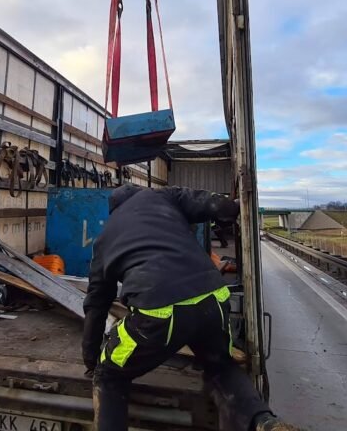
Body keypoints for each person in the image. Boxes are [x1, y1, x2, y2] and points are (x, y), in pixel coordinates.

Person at [83, 184, 287, 431]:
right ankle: (264, 421)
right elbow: (212, 202)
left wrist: (92, 358)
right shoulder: (161, 196)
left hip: (159, 313)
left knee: (109, 375)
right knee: (221, 366)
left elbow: (96, 303)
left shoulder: (104, 239)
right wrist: (232, 207)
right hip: (213, 298)